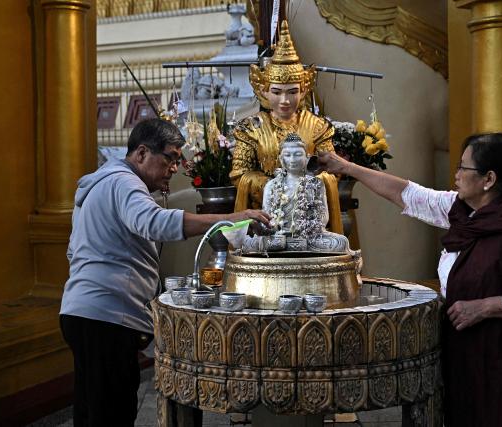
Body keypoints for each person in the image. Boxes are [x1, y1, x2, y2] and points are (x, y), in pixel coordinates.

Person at [317, 132, 502, 427]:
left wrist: (489, 306)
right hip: (472, 352)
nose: (455, 174)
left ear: (488, 179)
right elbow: (408, 194)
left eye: (463, 168)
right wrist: (346, 167)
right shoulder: (465, 212)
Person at [59, 118, 270, 426]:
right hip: (106, 318)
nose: (174, 167)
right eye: (170, 158)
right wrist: (231, 219)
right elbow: (155, 222)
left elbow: (72, 251)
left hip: (80, 311)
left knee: (91, 413)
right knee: (111, 414)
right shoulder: (124, 182)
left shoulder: (99, 184)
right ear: (142, 153)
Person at [229, 20, 343, 234]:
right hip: (267, 213)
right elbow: (240, 175)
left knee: (333, 242)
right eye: (277, 92)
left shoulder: (317, 126)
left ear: (304, 90)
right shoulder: (251, 128)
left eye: (292, 92)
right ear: (263, 90)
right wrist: (278, 186)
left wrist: (303, 185)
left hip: (309, 213)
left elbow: (331, 171)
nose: (284, 100)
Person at [242, 133, 351, 254]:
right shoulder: (271, 185)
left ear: (307, 157)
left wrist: (303, 229)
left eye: (298, 154)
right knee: (248, 244)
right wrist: (276, 230)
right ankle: (283, 245)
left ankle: (289, 246)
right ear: (281, 159)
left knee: (340, 242)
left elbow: (323, 218)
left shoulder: (315, 183)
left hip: (308, 237)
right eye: (287, 155)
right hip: (278, 237)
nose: (292, 159)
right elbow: (267, 218)